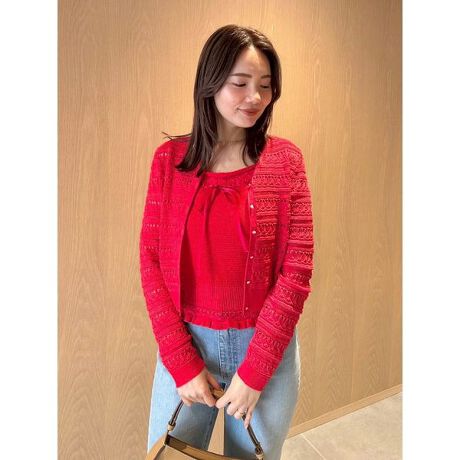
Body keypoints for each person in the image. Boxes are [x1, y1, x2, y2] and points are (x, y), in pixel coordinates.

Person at [139, 24, 314, 460]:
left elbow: (297, 271)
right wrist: (181, 361)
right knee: (169, 454)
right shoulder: (169, 162)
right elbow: (151, 262)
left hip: (267, 349)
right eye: (240, 83)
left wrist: (255, 371)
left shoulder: (286, 161)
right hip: (187, 344)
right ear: (211, 82)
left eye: (265, 85)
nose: (255, 97)